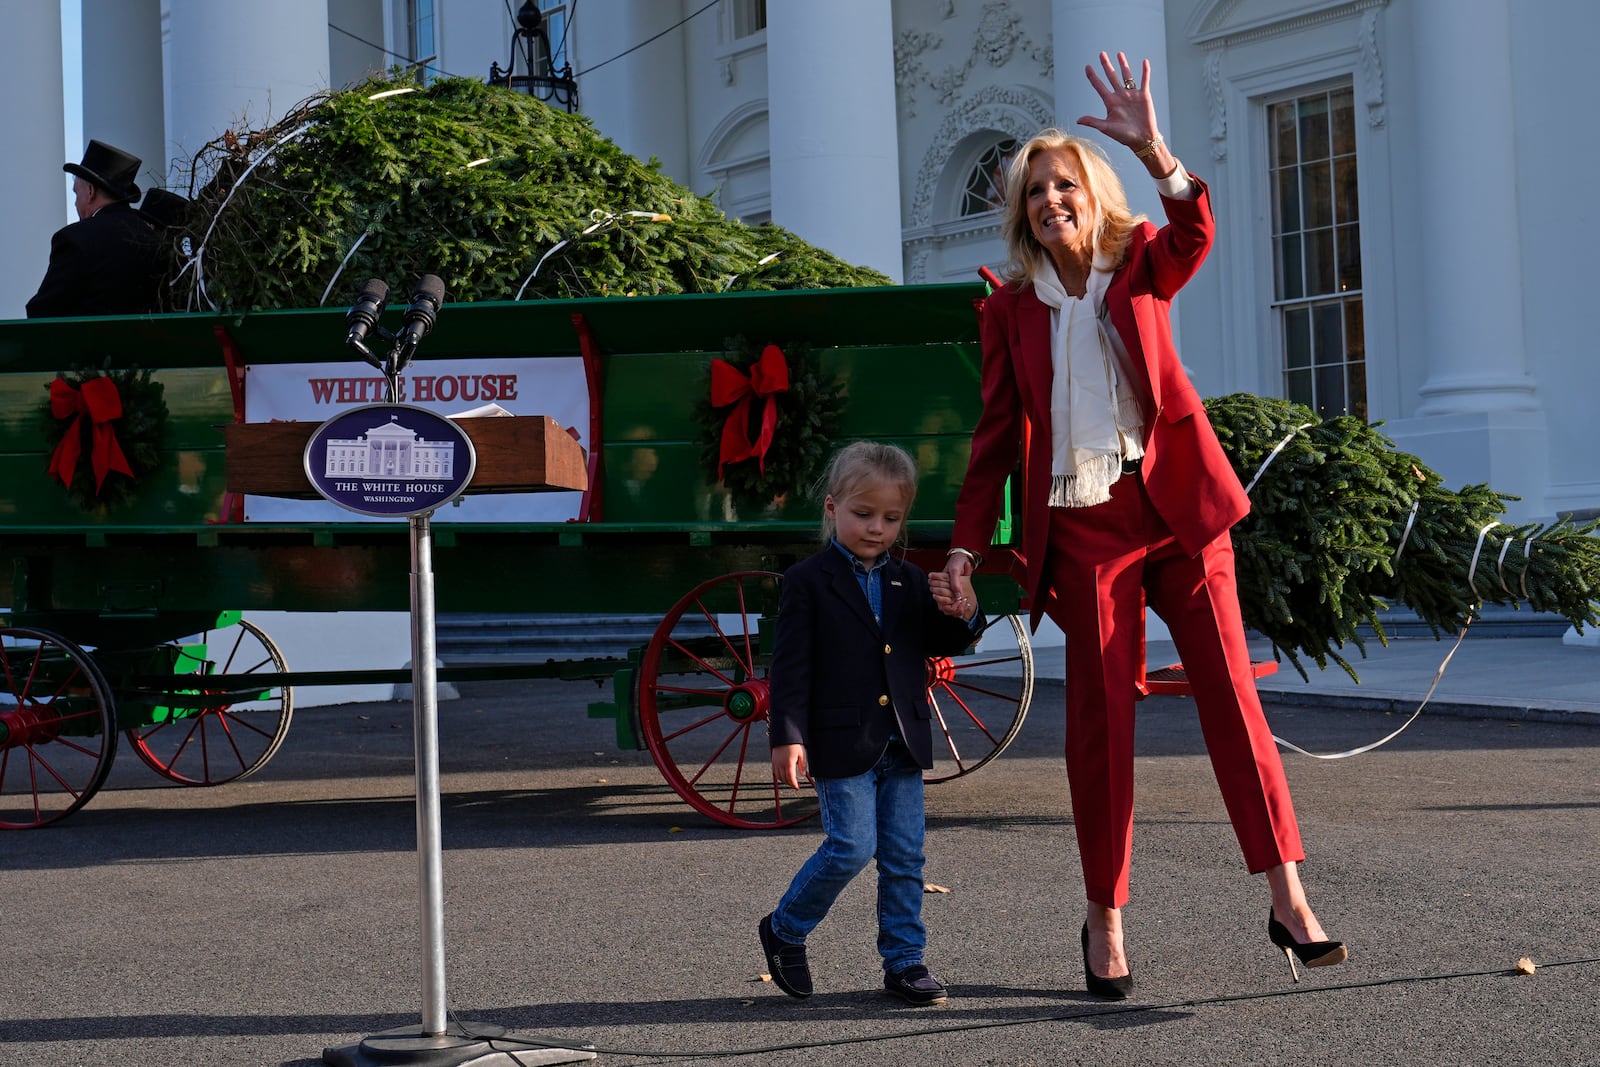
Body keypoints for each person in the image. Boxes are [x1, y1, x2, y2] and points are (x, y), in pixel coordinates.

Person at [943, 52, 1346, 999]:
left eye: (1065, 183)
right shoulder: (1009, 313)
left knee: (1231, 702)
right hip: (1081, 527)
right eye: (1034, 190)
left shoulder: (1142, 267)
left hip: (1178, 512)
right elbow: (995, 441)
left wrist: (1157, 151)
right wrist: (964, 548)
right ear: (1022, 213)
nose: (1051, 199)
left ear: (1092, 194)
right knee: (1101, 725)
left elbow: (1195, 229)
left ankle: (1288, 894)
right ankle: (1105, 916)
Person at [759, 441, 982, 1006]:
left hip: (901, 742)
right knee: (851, 847)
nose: (877, 528)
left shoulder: (908, 580)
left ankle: (905, 962)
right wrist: (787, 734)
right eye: (864, 514)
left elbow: (943, 638)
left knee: (906, 856)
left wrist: (965, 613)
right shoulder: (808, 580)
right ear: (833, 508)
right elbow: (790, 667)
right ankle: (785, 928)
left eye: (891, 517)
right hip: (839, 739)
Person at [26, 140, 163, 319]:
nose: (75, 202)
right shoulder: (156, 239)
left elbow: (42, 311)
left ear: (90, 191)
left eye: (76, 193)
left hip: (91, 345)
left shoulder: (75, 239)